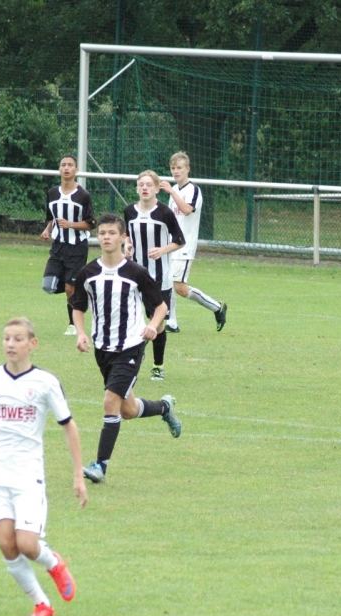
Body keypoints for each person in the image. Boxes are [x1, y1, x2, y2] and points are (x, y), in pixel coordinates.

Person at [0, 317, 88, 616]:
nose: (10, 344)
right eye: (6, 338)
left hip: (27, 473)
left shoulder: (45, 383)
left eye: (17, 339)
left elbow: (69, 427)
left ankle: (53, 562)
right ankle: (42, 604)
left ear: (33, 344)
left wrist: (77, 475)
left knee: (27, 544)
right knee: (7, 543)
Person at [70, 213, 182, 484]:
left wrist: (152, 325)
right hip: (102, 348)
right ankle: (164, 408)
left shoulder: (136, 273)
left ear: (123, 238)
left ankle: (100, 466)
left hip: (130, 346)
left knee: (110, 402)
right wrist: (81, 333)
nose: (106, 237)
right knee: (127, 410)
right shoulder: (88, 273)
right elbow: (78, 306)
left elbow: (161, 307)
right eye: (102, 233)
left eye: (112, 233)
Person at [124, 170, 186, 381]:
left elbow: (180, 240)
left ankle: (158, 366)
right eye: (141, 184)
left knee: (157, 323)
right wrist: (127, 245)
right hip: (134, 275)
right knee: (132, 318)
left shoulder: (164, 213)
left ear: (157, 189)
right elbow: (127, 235)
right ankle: (134, 354)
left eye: (149, 185)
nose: (144, 188)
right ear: (137, 188)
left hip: (160, 277)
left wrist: (162, 250)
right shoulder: (129, 211)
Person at [158, 151, 227, 333]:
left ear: (187, 169)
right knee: (167, 283)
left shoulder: (192, 190)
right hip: (171, 244)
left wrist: (171, 192)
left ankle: (217, 307)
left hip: (184, 246)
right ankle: (172, 323)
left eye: (179, 167)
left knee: (180, 288)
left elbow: (187, 210)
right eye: (173, 168)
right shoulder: (174, 190)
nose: (175, 171)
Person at [40, 155, 96, 336]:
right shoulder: (52, 193)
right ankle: (82, 292)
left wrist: (71, 224)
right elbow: (51, 218)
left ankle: (73, 324)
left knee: (69, 288)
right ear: (59, 169)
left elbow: (91, 224)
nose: (66, 168)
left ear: (76, 170)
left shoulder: (83, 196)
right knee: (48, 285)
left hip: (77, 247)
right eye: (63, 165)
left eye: (70, 165)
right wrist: (47, 230)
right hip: (58, 247)